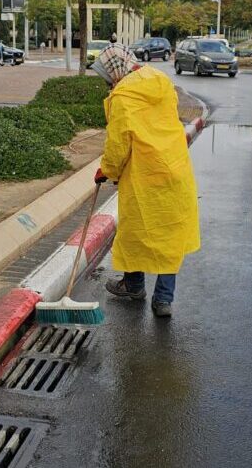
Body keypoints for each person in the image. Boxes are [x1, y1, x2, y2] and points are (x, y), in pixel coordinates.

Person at [90, 44, 200, 318]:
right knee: (170, 236)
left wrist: (108, 170)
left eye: (106, 75)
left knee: (135, 232)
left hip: (143, 175)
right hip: (174, 170)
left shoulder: (122, 96)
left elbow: (118, 143)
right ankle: (163, 300)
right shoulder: (160, 80)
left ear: (115, 71)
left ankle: (134, 286)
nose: (107, 81)